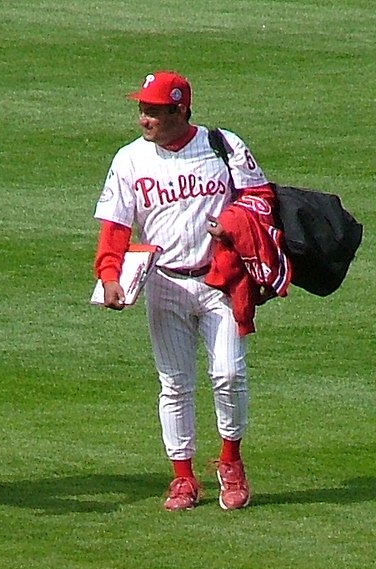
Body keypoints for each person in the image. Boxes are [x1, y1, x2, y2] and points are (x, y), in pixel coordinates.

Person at [93, 71, 277, 511]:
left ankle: (230, 461)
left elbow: (261, 197)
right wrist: (109, 274)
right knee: (174, 383)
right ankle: (182, 478)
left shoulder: (222, 145)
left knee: (229, 374)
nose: (143, 119)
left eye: (153, 111)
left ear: (180, 110)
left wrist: (232, 224)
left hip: (221, 281)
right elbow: (115, 224)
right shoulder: (130, 160)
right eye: (141, 109)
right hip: (164, 283)